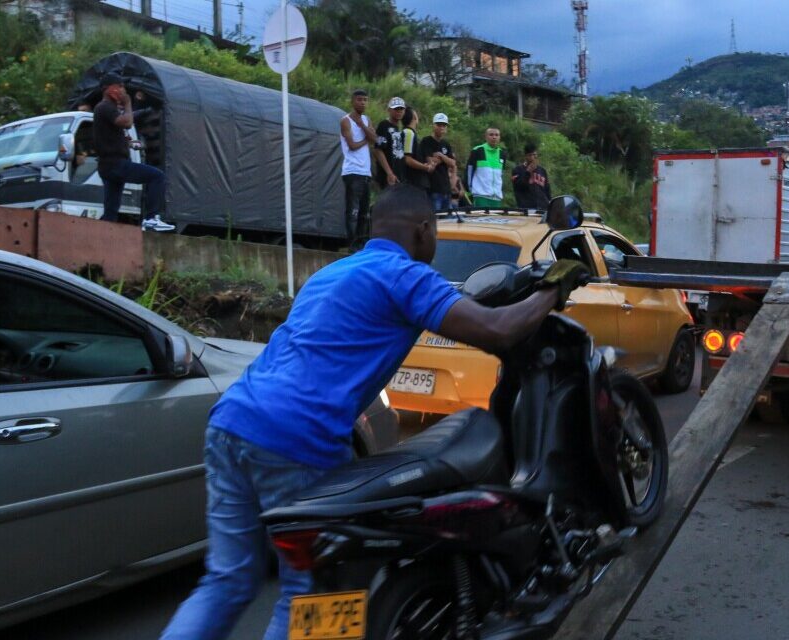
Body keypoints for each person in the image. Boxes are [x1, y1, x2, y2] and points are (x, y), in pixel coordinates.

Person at [159, 184, 588, 640]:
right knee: (313, 592)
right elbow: (498, 332)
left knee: (228, 579)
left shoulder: (334, 271)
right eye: (436, 233)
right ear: (424, 230)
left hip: (231, 422)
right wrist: (552, 288)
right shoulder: (406, 276)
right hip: (296, 439)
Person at [92, 72, 173, 231]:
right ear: (109, 89)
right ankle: (150, 219)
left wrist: (127, 143)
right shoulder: (105, 106)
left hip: (108, 166)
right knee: (157, 176)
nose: (123, 90)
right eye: (120, 86)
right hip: (115, 164)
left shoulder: (107, 109)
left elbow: (112, 134)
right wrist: (128, 103)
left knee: (111, 209)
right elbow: (127, 122)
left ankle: (103, 235)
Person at [340, 89, 376, 248]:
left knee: (364, 212)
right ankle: (351, 244)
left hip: (365, 172)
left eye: (365, 99)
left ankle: (361, 243)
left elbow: (375, 139)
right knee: (352, 211)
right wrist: (366, 140)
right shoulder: (345, 120)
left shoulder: (366, 120)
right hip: (352, 171)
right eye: (359, 99)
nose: (362, 102)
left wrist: (362, 125)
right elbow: (352, 145)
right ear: (353, 101)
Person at [420, 112, 459, 211]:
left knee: (447, 220)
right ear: (433, 125)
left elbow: (453, 163)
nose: (441, 127)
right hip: (433, 187)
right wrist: (445, 160)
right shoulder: (426, 141)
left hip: (446, 188)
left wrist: (441, 156)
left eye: (444, 125)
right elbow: (430, 162)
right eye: (439, 124)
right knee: (435, 218)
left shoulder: (446, 144)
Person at [401, 107, 439, 193]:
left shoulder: (410, 133)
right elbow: (407, 159)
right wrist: (425, 167)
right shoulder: (409, 133)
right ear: (414, 117)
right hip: (413, 182)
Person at [467, 127, 507, 208]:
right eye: (491, 135)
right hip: (481, 196)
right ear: (485, 137)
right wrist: (470, 190)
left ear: (499, 137)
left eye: (497, 135)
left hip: (496, 197)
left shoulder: (502, 153)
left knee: (495, 220)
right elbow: (469, 171)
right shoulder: (477, 150)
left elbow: (501, 174)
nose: (494, 137)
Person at [373, 97, 407, 189]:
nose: (399, 111)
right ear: (389, 110)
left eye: (401, 109)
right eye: (396, 108)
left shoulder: (399, 129)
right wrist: (389, 173)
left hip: (399, 176)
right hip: (387, 177)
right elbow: (377, 150)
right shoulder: (383, 125)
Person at [512, 142, 551, 210]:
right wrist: (528, 172)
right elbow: (519, 187)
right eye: (530, 155)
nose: (533, 157)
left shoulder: (542, 171)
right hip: (526, 208)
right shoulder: (517, 170)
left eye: (535, 155)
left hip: (543, 207)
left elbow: (547, 190)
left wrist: (549, 203)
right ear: (526, 156)